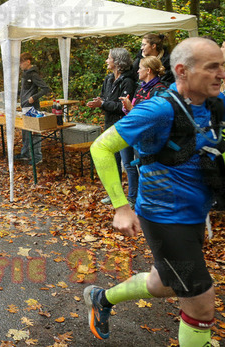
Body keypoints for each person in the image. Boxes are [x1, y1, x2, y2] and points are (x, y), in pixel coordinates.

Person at [86, 37, 225, 346]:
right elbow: (101, 147)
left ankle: (101, 299)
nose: (221, 73)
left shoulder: (214, 103)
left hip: (194, 215)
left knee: (162, 283)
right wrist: (121, 206)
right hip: (165, 217)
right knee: (201, 303)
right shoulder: (158, 109)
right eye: (212, 67)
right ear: (182, 71)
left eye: (222, 66)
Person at [87, 48, 138, 206]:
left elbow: (123, 107)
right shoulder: (109, 78)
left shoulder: (128, 81)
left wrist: (103, 104)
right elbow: (105, 98)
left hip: (124, 126)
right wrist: (99, 102)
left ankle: (133, 197)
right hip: (110, 124)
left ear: (117, 62)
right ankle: (115, 195)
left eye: (109, 58)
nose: (106, 61)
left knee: (127, 163)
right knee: (113, 161)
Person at [14, 52, 51, 164]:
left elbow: (46, 89)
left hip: (33, 109)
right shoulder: (25, 74)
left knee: (34, 132)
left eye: (21, 62)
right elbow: (26, 90)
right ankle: (25, 154)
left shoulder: (34, 74)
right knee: (26, 132)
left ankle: (37, 157)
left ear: (28, 62)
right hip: (25, 107)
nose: (20, 65)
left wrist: (34, 98)